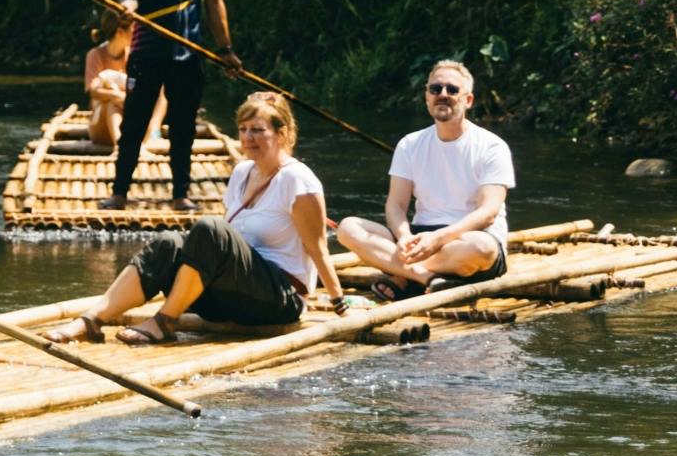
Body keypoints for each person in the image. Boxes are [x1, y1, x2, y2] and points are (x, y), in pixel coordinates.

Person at [48, 92, 354, 345]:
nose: (248, 137)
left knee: (210, 228)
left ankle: (165, 321)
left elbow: (317, 248)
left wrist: (340, 304)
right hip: (231, 295)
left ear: (282, 133)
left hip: (278, 300)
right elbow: (222, 249)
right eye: (244, 130)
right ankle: (91, 320)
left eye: (258, 130)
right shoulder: (241, 173)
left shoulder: (298, 179)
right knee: (169, 242)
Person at [102, 0, 243, 211]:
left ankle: (181, 193)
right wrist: (127, 8)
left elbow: (213, 1)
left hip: (188, 51)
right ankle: (120, 192)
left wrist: (225, 49)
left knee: (183, 125)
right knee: (134, 122)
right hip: (147, 50)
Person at [336, 59, 516, 300]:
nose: (442, 95)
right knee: (348, 228)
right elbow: (396, 205)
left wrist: (439, 238)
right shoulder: (409, 144)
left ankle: (402, 275)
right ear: (427, 97)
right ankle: (424, 277)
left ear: (468, 100)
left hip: (468, 239)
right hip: (418, 239)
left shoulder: (492, 147)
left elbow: (488, 213)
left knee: (480, 248)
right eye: (435, 89)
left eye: (452, 90)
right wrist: (404, 237)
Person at [83, 10, 165, 148]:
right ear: (120, 32)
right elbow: (93, 91)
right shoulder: (95, 55)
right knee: (111, 100)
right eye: (134, 29)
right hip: (102, 129)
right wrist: (116, 95)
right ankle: (120, 147)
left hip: (129, 120)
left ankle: (152, 131)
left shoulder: (133, 56)